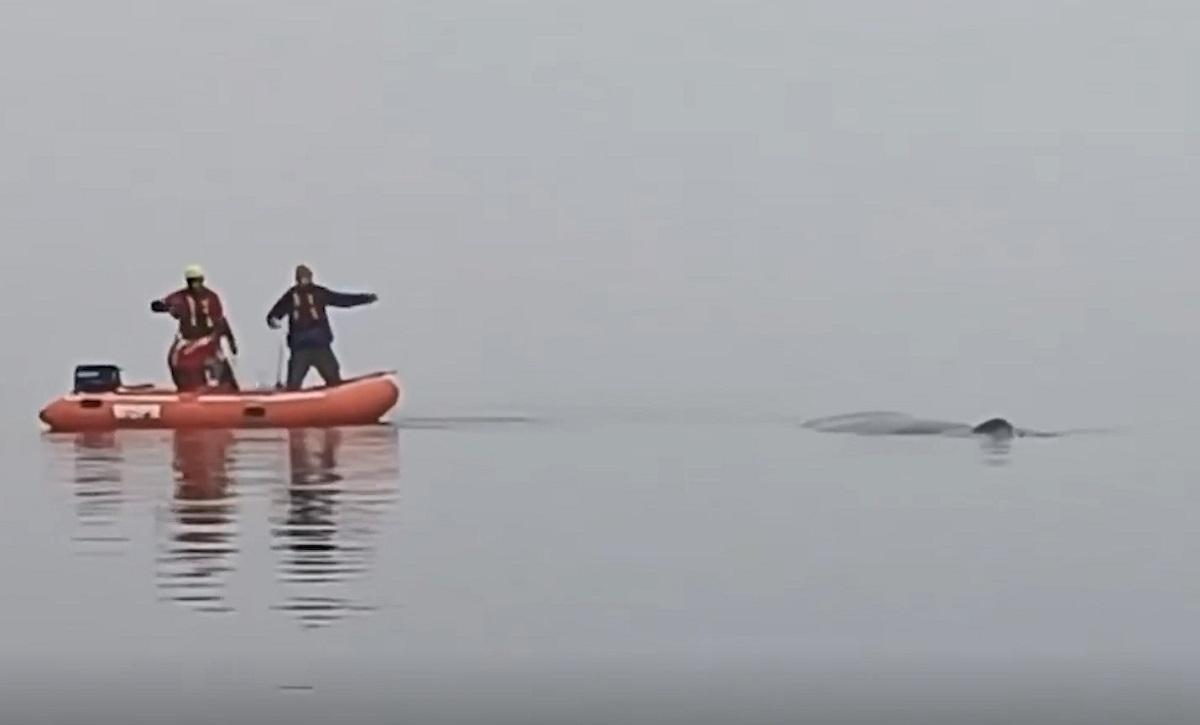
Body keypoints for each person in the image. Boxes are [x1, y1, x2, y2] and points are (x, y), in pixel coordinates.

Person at [266, 264, 377, 390]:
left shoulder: (319, 293)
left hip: (321, 346)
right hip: (300, 349)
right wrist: (273, 320)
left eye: (306, 277)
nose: (305, 280)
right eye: (302, 278)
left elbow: (342, 300)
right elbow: (275, 313)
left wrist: (365, 299)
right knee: (294, 384)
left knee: (333, 379)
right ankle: (290, 404)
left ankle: (338, 402)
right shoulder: (291, 297)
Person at [151, 265, 240, 392]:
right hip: (186, 340)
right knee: (176, 362)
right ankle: (186, 391)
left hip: (209, 339)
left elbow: (220, 320)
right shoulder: (181, 297)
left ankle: (224, 391)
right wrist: (164, 307)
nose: (195, 284)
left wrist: (230, 341)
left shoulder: (211, 297)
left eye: (197, 280)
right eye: (191, 281)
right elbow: (164, 304)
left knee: (216, 364)